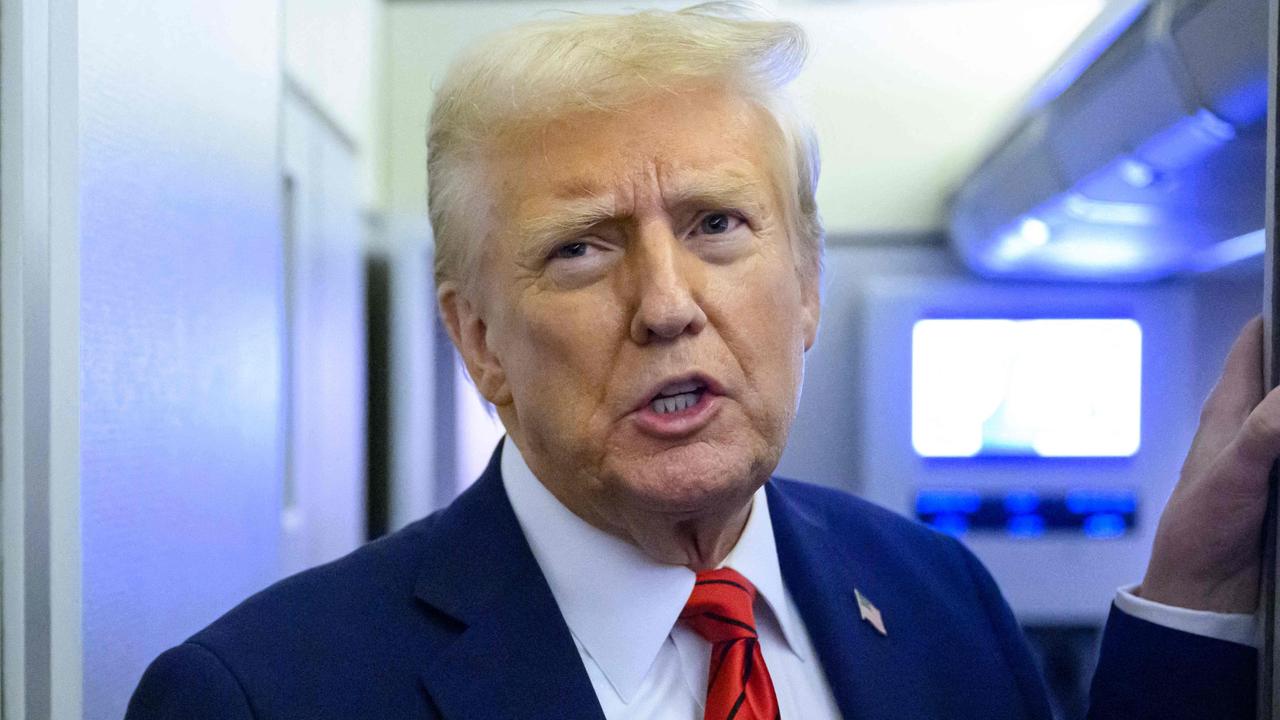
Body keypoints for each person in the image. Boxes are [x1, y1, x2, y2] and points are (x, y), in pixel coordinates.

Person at [126, 4, 1264, 719]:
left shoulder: (935, 596)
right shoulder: (262, 694)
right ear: (478, 341)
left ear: (808, 283)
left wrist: (1193, 598)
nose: (666, 306)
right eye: (580, 250)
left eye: (718, 225)